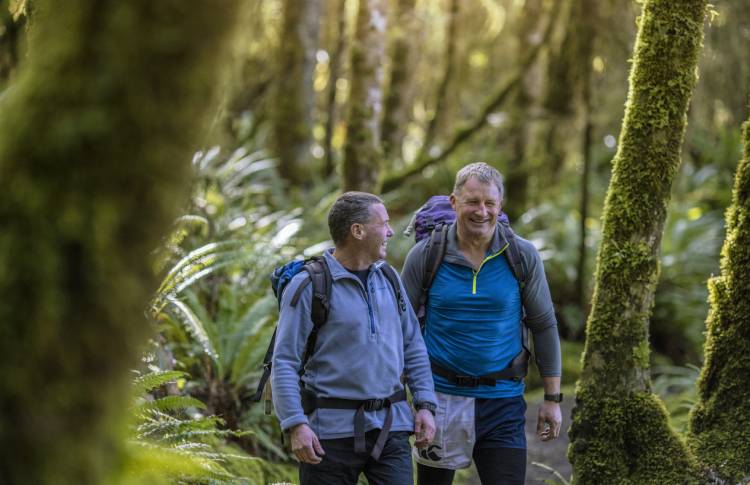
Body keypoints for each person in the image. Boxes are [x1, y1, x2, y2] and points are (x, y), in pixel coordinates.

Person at [401, 163, 562, 485]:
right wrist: (411, 397)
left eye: (490, 203)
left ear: (500, 206)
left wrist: (552, 399)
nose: (481, 211)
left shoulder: (521, 255)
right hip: (439, 400)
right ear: (454, 202)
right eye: (473, 201)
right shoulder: (425, 255)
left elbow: (543, 325)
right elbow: (400, 327)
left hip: (502, 401)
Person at [272, 191, 437, 485]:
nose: (390, 231)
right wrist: (295, 424)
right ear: (357, 231)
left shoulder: (389, 277)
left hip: (392, 428)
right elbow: (284, 361)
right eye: (383, 223)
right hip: (328, 435)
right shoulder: (309, 285)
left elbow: (412, 345)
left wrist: (425, 403)